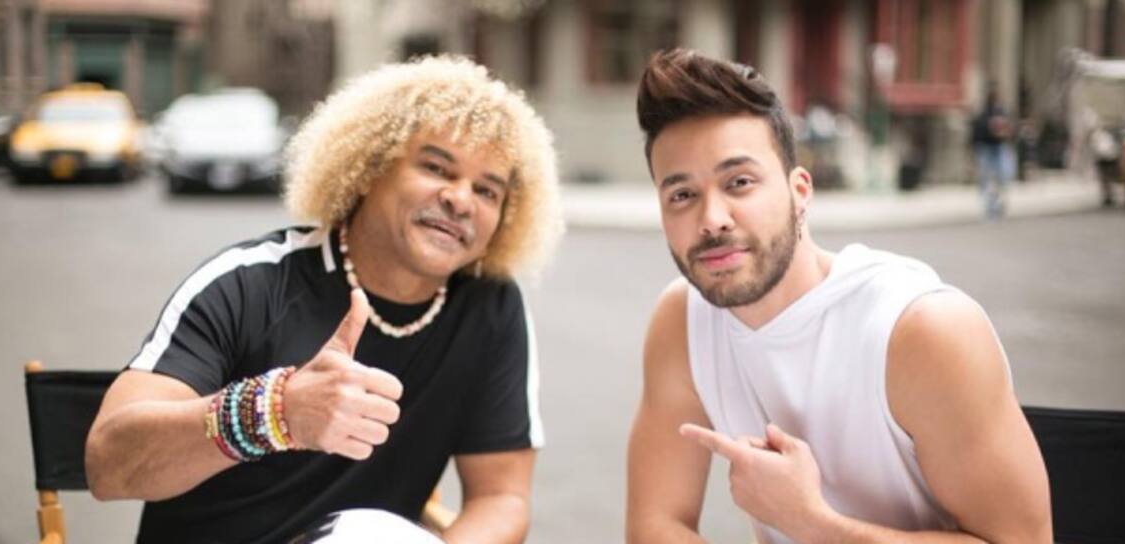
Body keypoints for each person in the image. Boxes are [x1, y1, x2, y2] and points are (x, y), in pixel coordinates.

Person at [85, 55, 563, 543]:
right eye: (436, 167)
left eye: (487, 191)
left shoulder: (488, 308)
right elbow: (108, 465)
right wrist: (274, 412)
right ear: (370, 167)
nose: (460, 199)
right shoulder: (250, 284)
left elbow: (501, 498)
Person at [626, 49, 1051, 543]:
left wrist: (810, 523)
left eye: (739, 183)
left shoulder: (921, 330)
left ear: (800, 191)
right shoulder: (684, 321)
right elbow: (655, 525)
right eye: (682, 195)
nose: (712, 219)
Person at [971, 86, 1016, 218]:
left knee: (1002, 177)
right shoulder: (983, 114)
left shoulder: (1001, 113)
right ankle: (990, 206)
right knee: (986, 179)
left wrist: (1005, 133)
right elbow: (977, 133)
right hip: (986, 148)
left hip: (998, 147)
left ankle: (997, 203)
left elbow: (1009, 130)